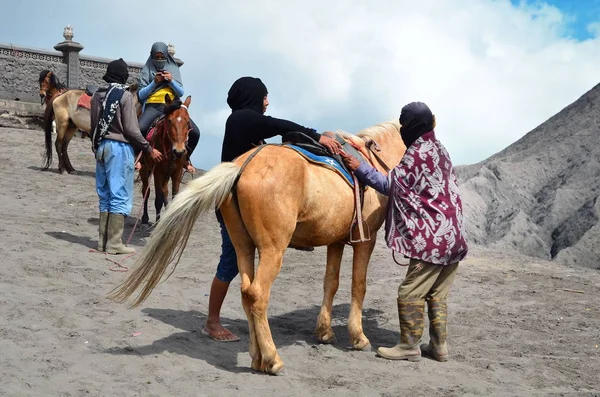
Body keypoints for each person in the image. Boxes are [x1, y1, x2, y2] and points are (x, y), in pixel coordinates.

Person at [202, 76, 343, 342]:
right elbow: (280, 125)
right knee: (230, 264)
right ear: (252, 97)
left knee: (238, 261)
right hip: (237, 208)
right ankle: (212, 321)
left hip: (242, 205)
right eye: (263, 96)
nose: (266, 101)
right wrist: (317, 137)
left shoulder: (240, 123)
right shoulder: (242, 118)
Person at [339, 101, 468, 361]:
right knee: (437, 293)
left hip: (432, 240)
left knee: (409, 292)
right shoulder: (439, 148)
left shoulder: (417, 153)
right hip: (453, 236)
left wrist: (359, 167)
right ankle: (439, 346)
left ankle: (409, 345)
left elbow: (389, 185)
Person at [91, 58, 163, 255]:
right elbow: (132, 130)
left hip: (101, 146)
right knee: (120, 194)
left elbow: (94, 126)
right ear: (123, 76)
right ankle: (114, 244)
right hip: (119, 148)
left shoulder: (97, 94)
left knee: (105, 194)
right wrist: (148, 149)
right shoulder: (124, 97)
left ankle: (102, 242)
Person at [136, 41, 200, 173]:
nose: (159, 60)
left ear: (166, 56)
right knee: (140, 128)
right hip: (154, 105)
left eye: (162, 57)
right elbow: (141, 95)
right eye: (157, 57)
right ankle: (138, 158)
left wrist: (171, 81)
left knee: (195, 132)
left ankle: (185, 159)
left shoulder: (174, 69)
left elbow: (181, 92)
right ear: (152, 56)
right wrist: (154, 82)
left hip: (173, 105)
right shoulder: (146, 71)